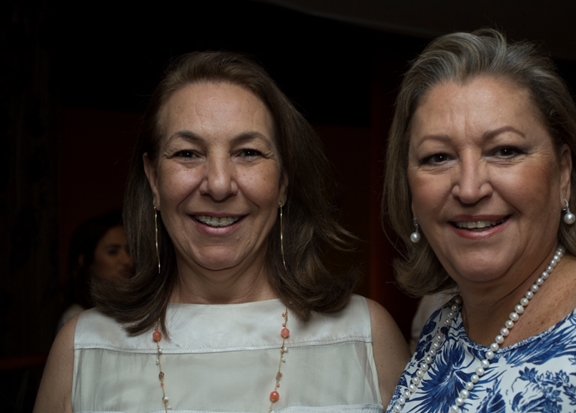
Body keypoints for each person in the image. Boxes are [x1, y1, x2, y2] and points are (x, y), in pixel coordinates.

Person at [35, 51, 409, 413]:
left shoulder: (366, 336)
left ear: (283, 181)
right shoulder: (82, 349)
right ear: (153, 180)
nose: (218, 184)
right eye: (187, 153)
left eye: (247, 152)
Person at [382, 29, 576, 413]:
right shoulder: (442, 331)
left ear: (562, 172)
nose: (470, 188)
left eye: (504, 151)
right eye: (438, 157)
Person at [57, 209, 133, 330]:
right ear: (85, 260)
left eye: (129, 251)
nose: (127, 260)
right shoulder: (76, 320)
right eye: (112, 252)